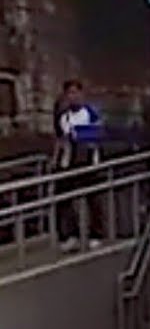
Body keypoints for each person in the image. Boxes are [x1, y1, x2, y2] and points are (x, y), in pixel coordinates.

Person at [52, 79, 105, 252]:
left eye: (76, 93)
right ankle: (70, 236)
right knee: (65, 200)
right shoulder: (63, 117)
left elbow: (96, 134)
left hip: (89, 161)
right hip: (69, 162)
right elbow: (62, 139)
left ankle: (96, 234)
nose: (73, 97)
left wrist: (81, 135)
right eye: (69, 94)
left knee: (93, 200)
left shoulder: (91, 113)